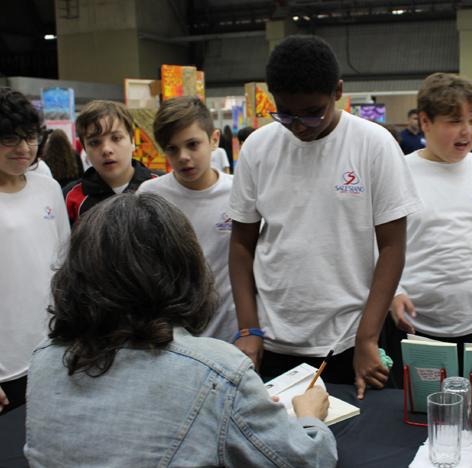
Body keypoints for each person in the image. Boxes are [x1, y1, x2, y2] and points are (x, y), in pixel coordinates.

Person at [24, 193, 337, 467]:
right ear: (183, 268)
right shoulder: (216, 372)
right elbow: (307, 459)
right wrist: (309, 417)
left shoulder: (43, 359)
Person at [228, 35, 422, 399]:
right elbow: (241, 244)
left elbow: (393, 248)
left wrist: (367, 337)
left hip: (348, 341)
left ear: (338, 91)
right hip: (272, 342)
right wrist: (248, 330)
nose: (299, 125)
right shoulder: (258, 148)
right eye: (285, 113)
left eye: (312, 112)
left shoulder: (373, 145)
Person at [389, 73, 472, 372]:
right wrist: (394, 291)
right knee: (420, 413)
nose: (466, 132)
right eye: (454, 121)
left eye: (471, 120)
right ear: (425, 122)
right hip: (416, 326)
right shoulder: (400, 173)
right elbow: (376, 244)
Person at [138, 96, 237, 342]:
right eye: (172, 148)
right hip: (172, 337)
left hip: (232, 333)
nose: (183, 156)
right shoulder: (150, 195)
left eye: (192, 144)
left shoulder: (239, 192)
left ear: (214, 140)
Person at [0, 87, 70, 415]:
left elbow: (65, 265)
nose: (24, 148)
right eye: (11, 138)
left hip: (55, 350)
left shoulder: (48, 187)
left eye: (30, 137)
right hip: (6, 365)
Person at [64, 100, 157, 225]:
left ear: (132, 141)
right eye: (95, 142)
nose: (106, 150)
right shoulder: (70, 198)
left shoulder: (160, 187)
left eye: (116, 138)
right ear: (85, 149)